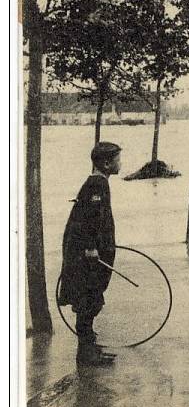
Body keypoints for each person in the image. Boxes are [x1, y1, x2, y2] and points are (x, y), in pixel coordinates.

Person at [58, 142, 122, 367]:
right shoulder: (97, 185)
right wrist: (90, 247)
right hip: (87, 256)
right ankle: (85, 355)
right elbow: (88, 220)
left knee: (91, 299)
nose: (120, 164)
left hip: (90, 252)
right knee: (88, 300)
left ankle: (89, 348)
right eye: (117, 160)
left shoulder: (98, 183)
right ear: (106, 163)